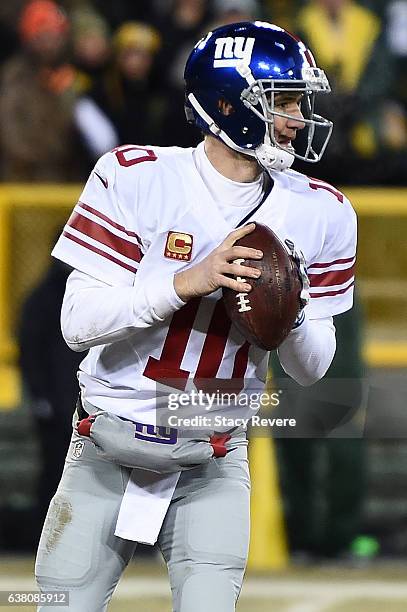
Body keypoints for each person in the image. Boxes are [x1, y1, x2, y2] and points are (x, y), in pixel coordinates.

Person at [35, 21, 357, 612]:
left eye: (297, 101)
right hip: (106, 446)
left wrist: (293, 304)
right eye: (280, 100)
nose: (296, 116)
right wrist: (190, 280)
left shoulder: (322, 211)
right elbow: (76, 322)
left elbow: (312, 371)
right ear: (229, 102)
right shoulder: (136, 176)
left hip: (212, 456)